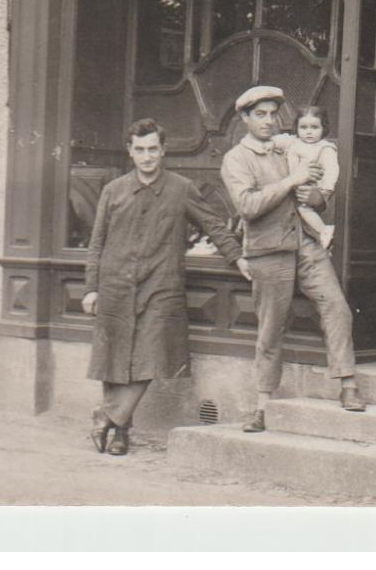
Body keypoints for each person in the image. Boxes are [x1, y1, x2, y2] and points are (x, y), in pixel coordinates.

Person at [82, 119, 250, 456]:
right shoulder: (113, 190)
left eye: (153, 150)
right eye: (140, 150)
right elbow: (96, 243)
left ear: (163, 150)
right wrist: (91, 287)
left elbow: (214, 225)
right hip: (115, 286)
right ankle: (119, 433)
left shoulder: (182, 188)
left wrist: (238, 258)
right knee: (116, 361)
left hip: (161, 286)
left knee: (151, 357)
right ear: (130, 152)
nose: (147, 157)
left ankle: (107, 415)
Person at [222, 86, 365, 429]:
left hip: (306, 245)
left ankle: (348, 385)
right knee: (271, 329)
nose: (269, 121)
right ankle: (262, 406)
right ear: (244, 119)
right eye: (261, 114)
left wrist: (314, 195)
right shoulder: (236, 159)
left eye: (273, 114)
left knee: (337, 307)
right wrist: (290, 182)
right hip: (268, 250)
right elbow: (248, 206)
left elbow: (317, 199)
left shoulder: (289, 149)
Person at [272, 105, 338, 250]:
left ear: (323, 128)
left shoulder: (324, 148)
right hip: (292, 185)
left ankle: (324, 231)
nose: (309, 132)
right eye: (303, 127)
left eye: (314, 127)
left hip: (309, 187)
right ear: (297, 128)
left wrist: (325, 190)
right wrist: (267, 144)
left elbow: (332, 170)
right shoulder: (293, 141)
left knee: (303, 209)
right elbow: (274, 141)